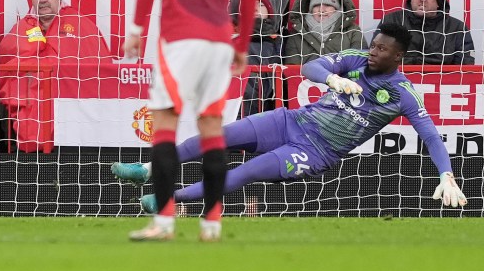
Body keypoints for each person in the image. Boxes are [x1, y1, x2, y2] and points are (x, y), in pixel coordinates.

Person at [112, 23, 469, 213]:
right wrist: (331, 78)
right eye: (373, 45)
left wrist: (446, 174)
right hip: (291, 121)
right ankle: (146, 171)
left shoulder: (403, 93)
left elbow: (430, 134)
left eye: (381, 50)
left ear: (399, 56)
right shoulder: (355, 59)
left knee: (244, 173)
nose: (373, 52)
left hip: (317, 152)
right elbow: (312, 66)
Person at [122, 0, 257, 243]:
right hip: (219, 41)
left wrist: (136, 29)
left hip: (180, 38)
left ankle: (163, 222)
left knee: (165, 124)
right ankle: (212, 224)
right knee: (212, 129)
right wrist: (242, 43)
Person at [0, 0, 112, 152]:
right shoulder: (23, 27)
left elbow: (95, 63)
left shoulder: (80, 25)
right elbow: (8, 61)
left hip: (70, 95)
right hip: (31, 92)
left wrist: (49, 66)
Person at [375, 0, 474, 66]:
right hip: (396, 80)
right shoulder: (392, 21)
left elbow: (465, 67)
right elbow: (376, 57)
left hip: (442, 82)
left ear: (438, 2)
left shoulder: (456, 28)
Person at [229, 0, 289, 117]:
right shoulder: (227, 42)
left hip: (269, 116)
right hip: (233, 114)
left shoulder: (283, 42)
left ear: (270, 11)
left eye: (261, 4)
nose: (255, 8)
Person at [284, 0, 364, 65]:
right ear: (310, 9)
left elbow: (359, 64)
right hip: (306, 78)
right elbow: (292, 70)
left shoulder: (353, 31)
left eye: (327, 5)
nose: (321, 10)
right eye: (316, 5)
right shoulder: (297, 34)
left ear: (336, 8)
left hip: (343, 78)